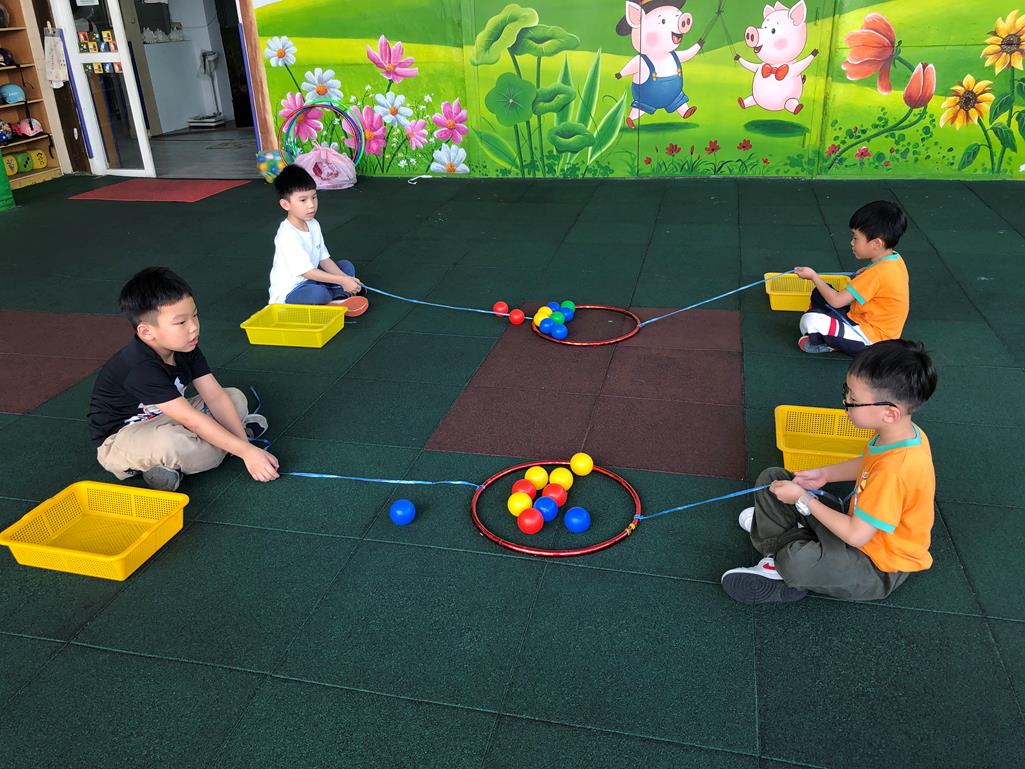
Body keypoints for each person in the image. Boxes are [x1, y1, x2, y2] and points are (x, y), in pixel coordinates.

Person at [721, 340, 938, 604]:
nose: (845, 402)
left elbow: (857, 535)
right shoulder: (902, 434)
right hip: (855, 528)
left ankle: (783, 564)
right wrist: (825, 474)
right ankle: (788, 544)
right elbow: (867, 462)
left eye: (854, 400)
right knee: (773, 478)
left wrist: (804, 499)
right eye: (847, 392)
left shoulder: (896, 470)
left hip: (876, 566)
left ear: (890, 414)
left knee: (796, 562)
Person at [88, 267, 279, 491]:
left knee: (233, 397)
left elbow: (215, 397)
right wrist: (247, 452)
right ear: (147, 332)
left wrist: (245, 447)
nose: (193, 328)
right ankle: (217, 447)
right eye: (181, 323)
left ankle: (194, 457)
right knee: (171, 443)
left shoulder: (186, 347)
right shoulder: (139, 367)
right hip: (123, 439)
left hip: (169, 415)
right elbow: (192, 420)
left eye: (194, 315)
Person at [795, 200, 909, 355]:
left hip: (873, 339)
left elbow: (836, 301)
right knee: (819, 293)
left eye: (856, 238)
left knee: (810, 320)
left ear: (876, 244)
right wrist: (867, 271)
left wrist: (814, 276)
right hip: (862, 318)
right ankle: (833, 333)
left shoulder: (877, 273)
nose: (852, 242)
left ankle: (829, 340)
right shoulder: (894, 258)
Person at [267, 165, 369, 314]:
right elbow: (307, 272)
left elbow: (324, 260)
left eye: (314, 197)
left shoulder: (313, 224)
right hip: (291, 292)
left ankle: (337, 299)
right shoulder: (287, 235)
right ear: (285, 204)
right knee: (318, 293)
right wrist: (342, 281)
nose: (311, 205)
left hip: (312, 281)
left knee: (346, 266)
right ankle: (336, 297)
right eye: (303, 200)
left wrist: (346, 278)